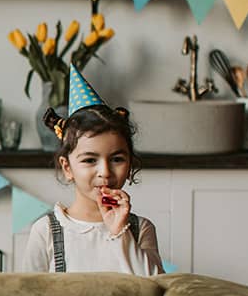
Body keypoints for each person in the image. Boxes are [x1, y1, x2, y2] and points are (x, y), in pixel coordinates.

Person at [22, 65, 164, 276]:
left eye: (117, 159)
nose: (105, 172)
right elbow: (28, 293)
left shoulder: (141, 229)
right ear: (67, 167)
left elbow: (154, 287)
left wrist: (120, 232)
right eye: (89, 160)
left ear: (130, 163)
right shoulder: (46, 231)